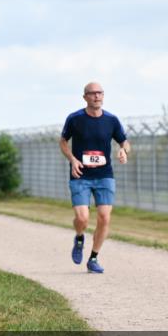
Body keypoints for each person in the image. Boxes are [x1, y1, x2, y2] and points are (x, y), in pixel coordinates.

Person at [59, 82, 130, 274]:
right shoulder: (74, 119)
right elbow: (63, 141)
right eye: (92, 93)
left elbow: (124, 141)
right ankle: (80, 237)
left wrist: (123, 150)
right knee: (82, 218)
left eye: (100, 93)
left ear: (103, 96)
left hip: (104, 175)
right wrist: (72, 159)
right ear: (85, 97)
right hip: (80, 174)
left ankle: (93, 258)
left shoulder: (111, 120)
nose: (96, 96)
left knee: (104, 217)